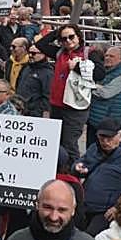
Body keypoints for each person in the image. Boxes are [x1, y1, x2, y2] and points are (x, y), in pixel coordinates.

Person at [73, 119, 121, 235]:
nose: (105, 142)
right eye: (102, 138)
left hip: (106, 212)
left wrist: (119, 207)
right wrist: (77, 168)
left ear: (120, 137)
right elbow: (81, 163)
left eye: (110, 139)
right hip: (84, 206)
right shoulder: (94, 149)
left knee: (90, 237)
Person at [35, 24, 91, 152]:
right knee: (55, 142)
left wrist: (76, 68)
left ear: (79, 36)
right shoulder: (60, 52)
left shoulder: (89, 53)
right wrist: (57, 32)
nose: (68, 41)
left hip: (75, 107)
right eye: (64, 39)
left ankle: (72, 170)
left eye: (71, 37)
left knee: (69, 144)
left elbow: (99, 73)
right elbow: (40, 45)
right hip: (57, 105)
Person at [86, 46, 121, 149]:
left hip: (109, 123)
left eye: (112, 56)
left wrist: (89, 85)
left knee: (107, 151)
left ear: (120, 59)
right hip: (94, 120)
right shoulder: (105, 71)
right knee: (92, 150)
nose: (107, 58)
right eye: (106, 55)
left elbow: (106, 93)